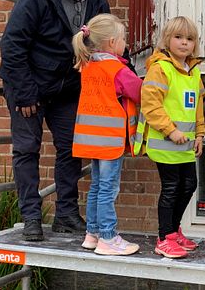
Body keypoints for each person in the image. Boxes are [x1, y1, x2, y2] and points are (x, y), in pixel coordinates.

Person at [0, 0, 109, 241]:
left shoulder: (97, 3)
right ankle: (31, 217)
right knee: (27, 149)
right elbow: (12, 46)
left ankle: (66, 214)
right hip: (27, 83)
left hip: (66, 88)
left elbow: (102, 44)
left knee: (73, 147)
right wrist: (24, 92)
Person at [132, 16, 205, 259]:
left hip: (185, 144)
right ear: (167, 40)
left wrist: (200, 134)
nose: (184, 43)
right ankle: (164, 237)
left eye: (190, 39)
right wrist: (170, 130)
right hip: (165, 142)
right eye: (179, 37)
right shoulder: (160, 68)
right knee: (172, 188)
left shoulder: (193, 71)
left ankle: (174, 231)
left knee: (189, 185)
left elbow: (198, 108)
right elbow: (151, 105)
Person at [71, 14, 141, 256]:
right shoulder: (117, 69)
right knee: (108, 190)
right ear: (112, 43)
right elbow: (141, 92)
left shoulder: (87, 67)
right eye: (123, 39)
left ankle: (92, 234)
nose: (126, 44)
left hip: (91, 139)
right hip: (111, 140)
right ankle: (109, 238)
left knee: (97, 187)